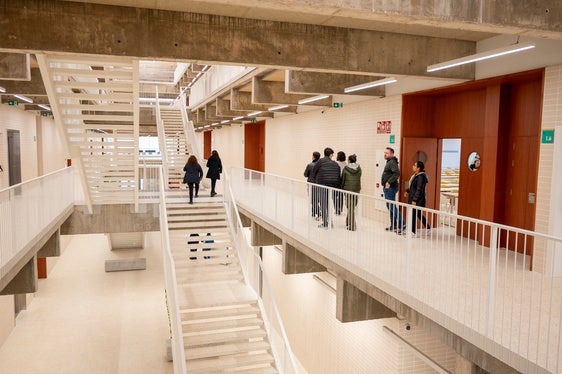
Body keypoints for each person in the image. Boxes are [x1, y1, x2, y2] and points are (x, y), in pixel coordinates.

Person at [310, 147, 341, 228]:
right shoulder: (335, 163)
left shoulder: (320, 161)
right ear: (330, 154)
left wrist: (317, 178)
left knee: (324, 204)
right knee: (328, 204)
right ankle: (330, 222)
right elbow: (338, 173)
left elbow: (314, 170)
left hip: (322, 185)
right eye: (332, 155)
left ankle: (325, 223)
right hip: (332, 186)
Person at [381, 147, 405, 233]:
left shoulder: (392, 162)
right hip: (389, 188)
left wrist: (389, 182)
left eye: (387, 153)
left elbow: (397, 173)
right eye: (384, 153)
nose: (385, 154)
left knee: (391, 206)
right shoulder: (390, 162)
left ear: (391, 154)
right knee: (390, 206)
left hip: (390, 188)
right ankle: (393, 225)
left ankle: (403, 224)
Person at [406, 161, 431, 236]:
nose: (413, 166)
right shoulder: (416, 175)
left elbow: (419, 189)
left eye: (414, 165)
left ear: (418, 168)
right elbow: (413, 187)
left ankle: (413, 232)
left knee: (414, 214)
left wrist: (414, 200)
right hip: (415, 198)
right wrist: (407, 191)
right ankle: (428, 228)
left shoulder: (421, 177)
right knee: (418, 214)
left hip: (418, 200)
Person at [341, 154, 362, 231]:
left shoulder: (346, 169)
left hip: (348, 190)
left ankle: (352, 226)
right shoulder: (359, 168)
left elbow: (343, 179)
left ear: (349, 160)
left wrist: (342, 187)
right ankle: (348, 222)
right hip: (356, 190)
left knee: (350, 207)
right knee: (352, 207)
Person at [304, 151, 321, 219]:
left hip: (311, 184)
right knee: (316, 199)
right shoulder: (321, 165)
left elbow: (305, 174)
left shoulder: (310, 165)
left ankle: (318, 213)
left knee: (312, 199)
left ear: (313, 157)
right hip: (319, 184)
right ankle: (313, 213)